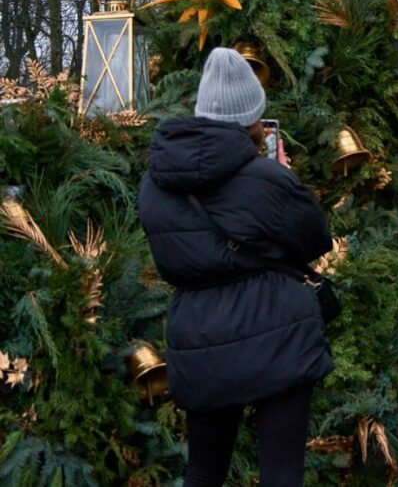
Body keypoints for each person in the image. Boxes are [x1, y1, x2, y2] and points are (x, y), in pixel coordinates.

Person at [137, 48, 334, 486]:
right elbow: (315, 240)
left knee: (204, 468)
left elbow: (172, 258)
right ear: (252, 119)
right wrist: (284, 180)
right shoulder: (268, 179)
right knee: (281, 472)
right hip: (278, 332)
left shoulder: (154, 185)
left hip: (199, 338)